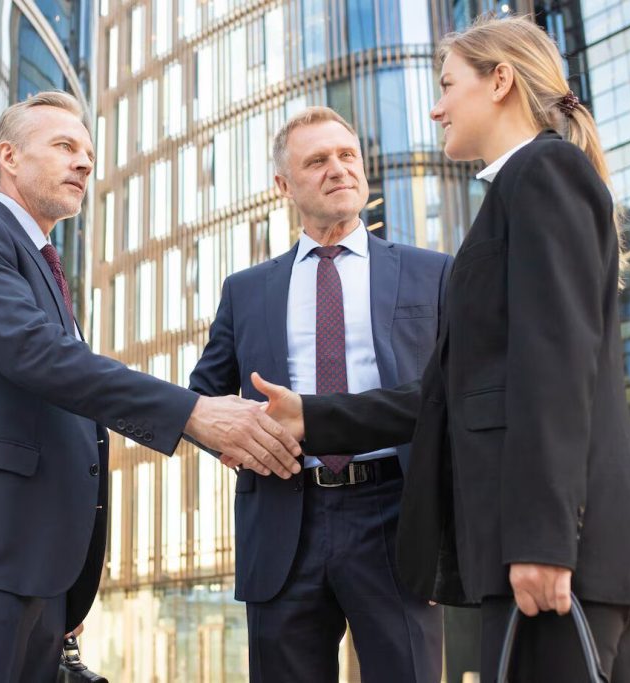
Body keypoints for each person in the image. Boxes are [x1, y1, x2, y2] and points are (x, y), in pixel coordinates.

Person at [249, 16, 630, 682]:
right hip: (561, 549)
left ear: (500, 81)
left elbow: (555, 367)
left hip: (563, 552)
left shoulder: (542, 174)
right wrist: (315, 417)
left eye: (448, 84)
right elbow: (454, 391)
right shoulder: (519, 188)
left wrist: (542, 541)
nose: (436, 105)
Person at [0, 91, 303, 681]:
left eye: (88, 152)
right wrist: (191, 413)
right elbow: (39, 357)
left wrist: (66, 574)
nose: (84, 162)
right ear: (8, 155)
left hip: (43, 567)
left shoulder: (46, 267)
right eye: (64, 146)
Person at [190, 107, 450, 682]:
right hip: (284, 517)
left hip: (397, 515)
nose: (338, 169)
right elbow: (202, 401)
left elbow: (452, 397)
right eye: (317, 160)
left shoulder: (432, 273)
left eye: (347, 155)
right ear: (284, 185)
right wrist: (242, 445)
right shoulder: (245, 291)